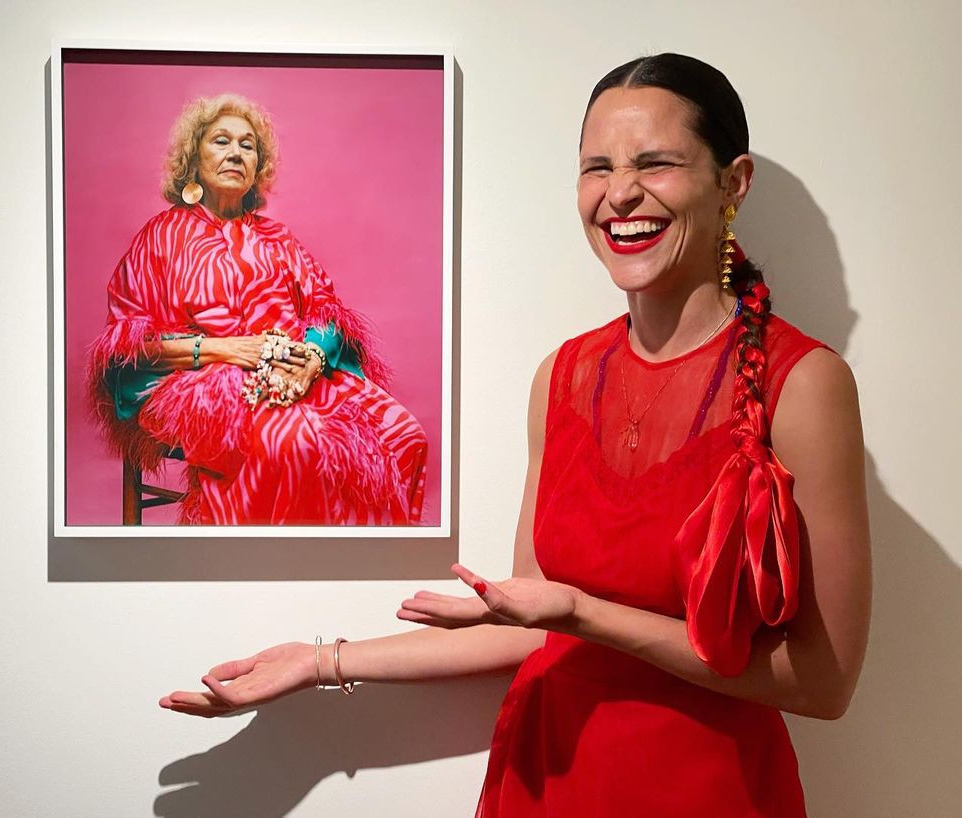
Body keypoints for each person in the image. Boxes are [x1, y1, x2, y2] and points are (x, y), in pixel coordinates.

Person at [160, 55, 871, 817]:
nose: (620, 193)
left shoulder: (806, 384)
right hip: (546, 774)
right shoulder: (561, 376)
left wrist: (583, 615)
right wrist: (321, 661)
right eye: (597, 168)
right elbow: (528, 624)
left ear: (733, 182)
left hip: (707, 790)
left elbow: (823, 684)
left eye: (654, 163)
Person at [88, 94, 428, 526]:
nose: (235, 153)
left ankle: (357, 563)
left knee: (403, 435)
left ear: (257, 167)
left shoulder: (277, 238)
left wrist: (312, 359)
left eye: (247, 145)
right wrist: (230, 350)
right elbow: (131, 350)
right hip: (202, 382)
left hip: (292, 374)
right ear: (193, 158)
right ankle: (270, 564)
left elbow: (328, 312)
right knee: (293, 443)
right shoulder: (160, 238)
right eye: (221, 141)